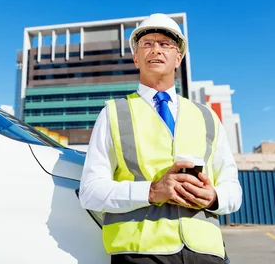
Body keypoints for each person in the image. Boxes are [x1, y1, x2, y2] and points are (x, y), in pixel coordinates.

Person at [79, 13, 242, 264]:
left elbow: (233, 189)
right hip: (141, 253)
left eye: (165, 44)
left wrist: (214, 197)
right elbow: (90, 192)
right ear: (136, 58)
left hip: (207, 254)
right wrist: (152, 191)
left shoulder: (207, 116)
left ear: (178, 58)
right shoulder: (113, 113)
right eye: (147, 44)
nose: (156, 49)